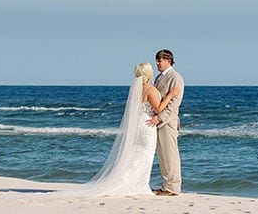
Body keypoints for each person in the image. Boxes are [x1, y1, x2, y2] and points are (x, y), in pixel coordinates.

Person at [62, 63, 160, 196]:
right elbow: (158, 109)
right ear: (149, 74)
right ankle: (138, 184)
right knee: (145, 156)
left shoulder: (136, 90)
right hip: (147, 125)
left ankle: (129, 181)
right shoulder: (150, 90)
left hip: (137, 125)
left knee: (135, 155)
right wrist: (171, 95)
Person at [145, 49, 184, 196]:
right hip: (158, 121)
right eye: (157, 60)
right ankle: (165, 185)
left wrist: (160, 118)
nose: (157, 63)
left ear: (168, 60)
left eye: (160, 60)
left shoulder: (176, 78)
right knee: (162, 156)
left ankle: (173, 188)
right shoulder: (158, 77)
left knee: (170, 155)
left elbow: (174, 103)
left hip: (168, 122)